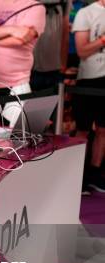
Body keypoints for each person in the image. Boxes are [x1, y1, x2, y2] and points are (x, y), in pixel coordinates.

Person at [71, 0, 105, 193]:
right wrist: (102, 40)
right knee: (83, 128)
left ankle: (94, 174)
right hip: (90, 79)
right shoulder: (86, 13)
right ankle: (76, 175)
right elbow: (82, 51)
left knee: (103, 129)